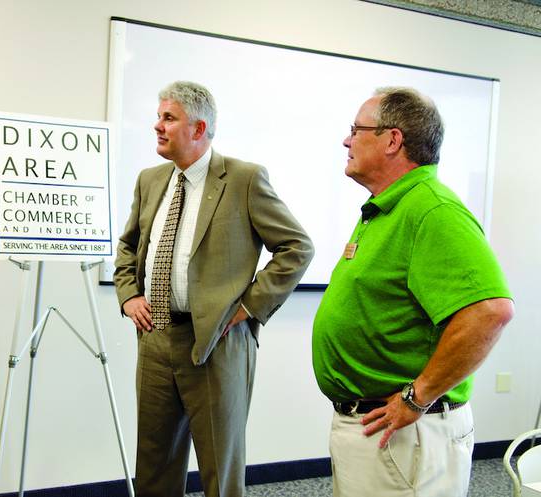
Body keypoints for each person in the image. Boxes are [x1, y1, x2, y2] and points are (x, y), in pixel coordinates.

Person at [114, 81, 313, 497]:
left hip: (218, 342)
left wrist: (250, 307)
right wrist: (130, 294)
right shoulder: (150, 180)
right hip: (155, 338)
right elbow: (129, 245)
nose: (157, 126)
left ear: (199, 127)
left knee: (219, 473)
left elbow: (297, 247)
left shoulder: (244, 179)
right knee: (153, 466)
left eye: (168, 118)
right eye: (158, 116)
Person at [312, 87, 514, 497]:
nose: (346, 140)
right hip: (376, 430)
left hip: (405, 434)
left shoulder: (432, 210)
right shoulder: (388, 207)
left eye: (356, 129)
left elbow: (490, 310)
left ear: (392, 140)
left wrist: (415, 398)